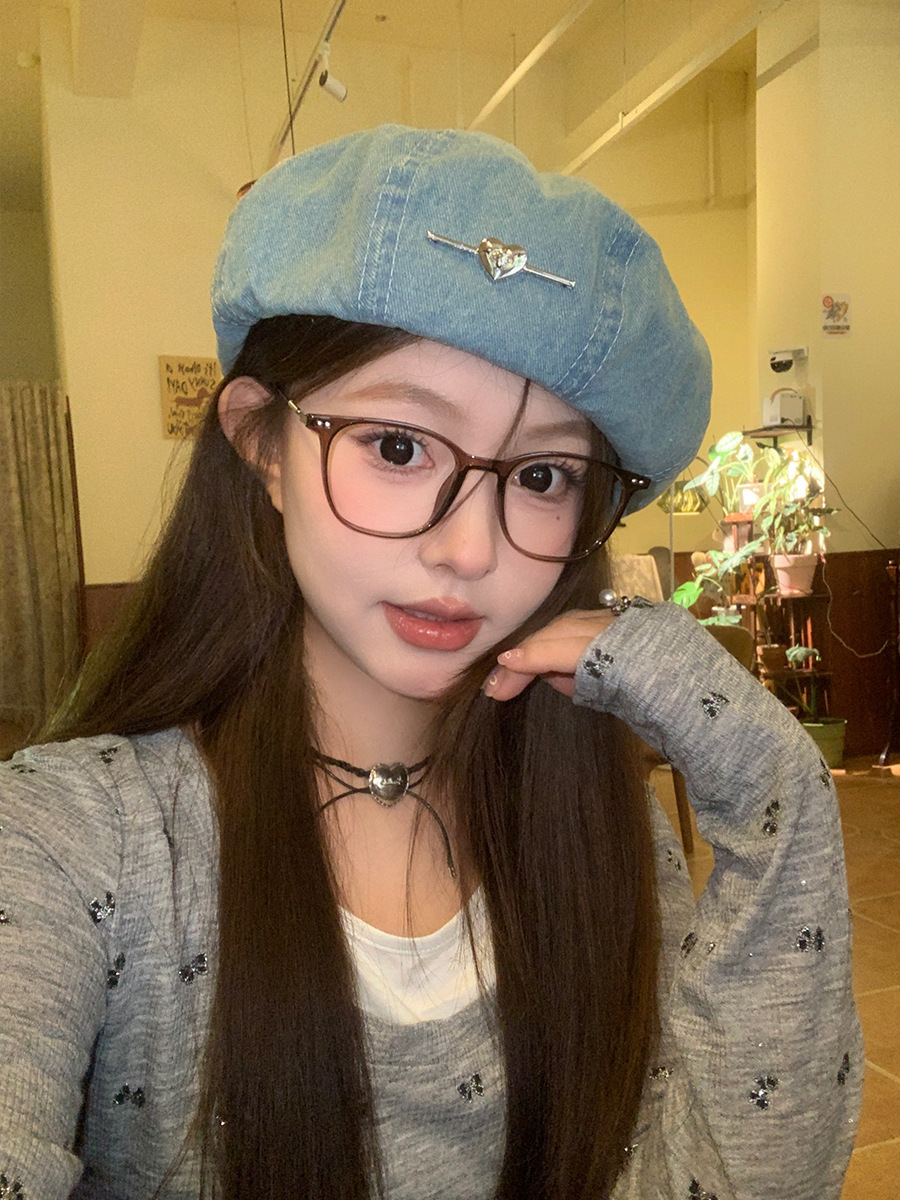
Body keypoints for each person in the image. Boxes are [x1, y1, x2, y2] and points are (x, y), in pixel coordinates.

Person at [0, 126, 860, 1200]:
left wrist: (772, 784)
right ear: (262, 444)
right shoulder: (77, 838)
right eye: (399, 447)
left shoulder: (599, 824)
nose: (470, 550)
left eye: (542, 476)